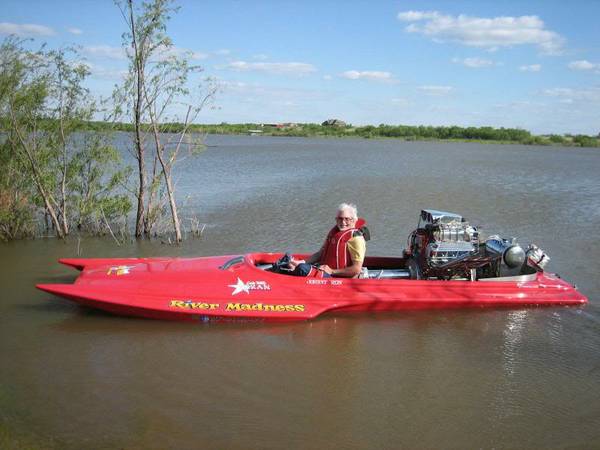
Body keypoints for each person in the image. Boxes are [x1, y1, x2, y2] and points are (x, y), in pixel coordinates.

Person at [288, 203, 367, 278]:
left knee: (302, 269)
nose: (343, 222)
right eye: (340, 218)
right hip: (325, 271)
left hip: (340, 278)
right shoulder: (335, 233)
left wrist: (332, 271)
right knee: (289, 260)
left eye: (347, 219)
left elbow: (356, 269)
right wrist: (301, 262)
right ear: (336, 219)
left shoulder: (356, 239)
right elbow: (320, 254)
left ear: (353, 220)